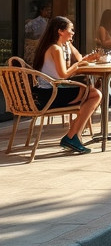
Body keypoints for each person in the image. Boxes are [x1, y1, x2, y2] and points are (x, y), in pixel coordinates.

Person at [31, 16, 101, 154]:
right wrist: (78, 65)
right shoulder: (55, 49)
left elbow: (60, 74)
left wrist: (77, 58)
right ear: (60, 31)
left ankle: (74, 135)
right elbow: (63, 75)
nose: (73, 33)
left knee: (91, 94)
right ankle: (73, 135)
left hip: (46, 93)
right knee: (95, 94)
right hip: (50, 95)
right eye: (71, 30)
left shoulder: (53, 47)